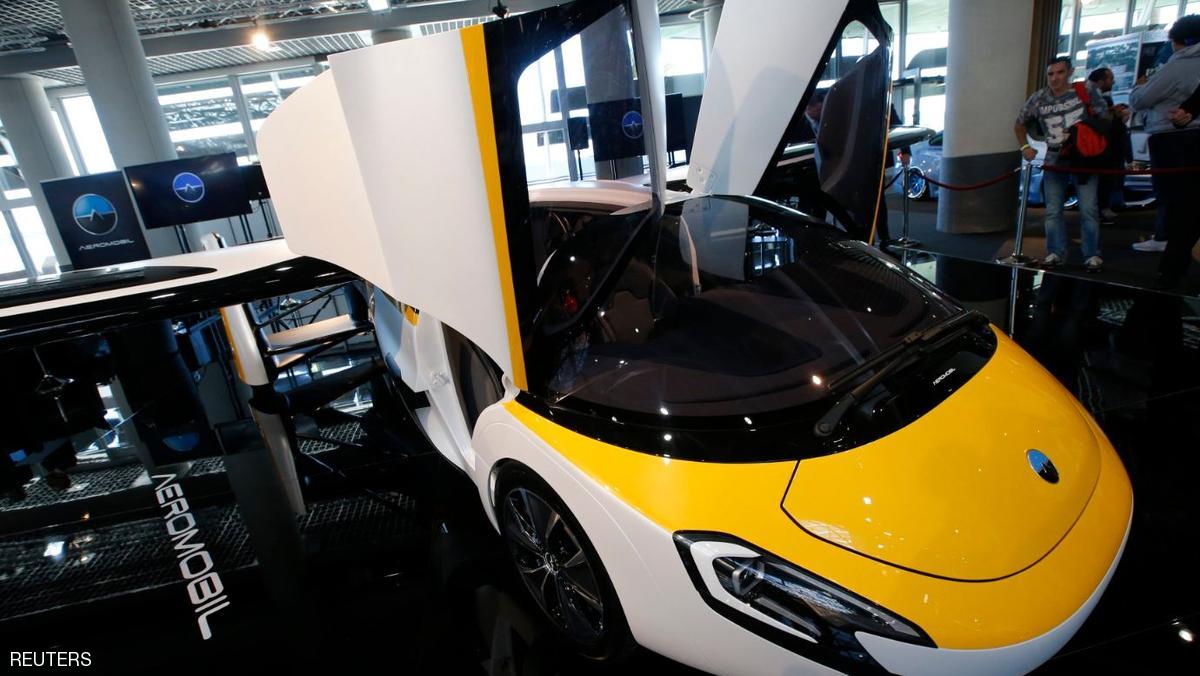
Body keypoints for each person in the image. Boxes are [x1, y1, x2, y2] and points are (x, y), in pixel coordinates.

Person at [1015, 56, 1110, 272]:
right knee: (1053, 210)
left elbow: (1105, 119)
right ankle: (1055, 252)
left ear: (1069, 72)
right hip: (1054, 159)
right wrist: (1025, 147)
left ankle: (1092, 254)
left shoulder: (1085, 90)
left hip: (1083, 159)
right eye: (1051, 74)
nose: (1055, 78)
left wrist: (1085, 133)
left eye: (1060, 72)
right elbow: (1019, 124)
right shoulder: (1039, 98)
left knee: (1088, 208)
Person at [1128, 14, 1200, 289]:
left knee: (1178, 204)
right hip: (1189, 140)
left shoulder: (1177, 65)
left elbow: (1141, 98)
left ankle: (1169, 267)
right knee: (1189, 206)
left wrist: (1139, 87)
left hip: (1171, 140)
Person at [1087, 66, 1130, 222]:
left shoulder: (1098, 96)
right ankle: (1102, 209)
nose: (1113, 82)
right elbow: (1103, 121)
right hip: (1102, 148)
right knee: (1102, 180)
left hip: (1105, 148)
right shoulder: (1095, 96)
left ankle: (1102, 208)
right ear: (1101, 81)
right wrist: (1116, 115)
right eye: (1110, 79)